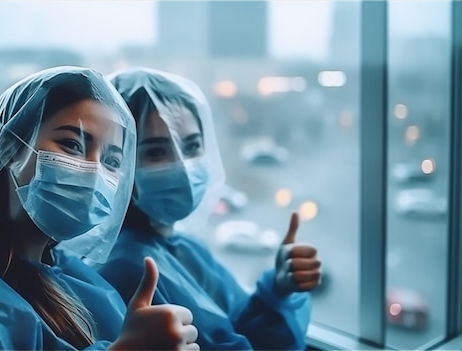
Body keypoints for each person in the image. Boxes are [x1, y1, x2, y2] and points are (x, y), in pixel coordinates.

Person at [0, 66, 199, 350]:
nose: (94, 171)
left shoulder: (74, 274)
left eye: (111, 161)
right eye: (71, 144)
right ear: (8, 146)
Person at [96, 67, 322, 350]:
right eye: (155, 152)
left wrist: (278, 289)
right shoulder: (127, 269)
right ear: (117, 162)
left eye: (191, 146)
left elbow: (243, 328)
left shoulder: (184, 245)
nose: (183, 167)